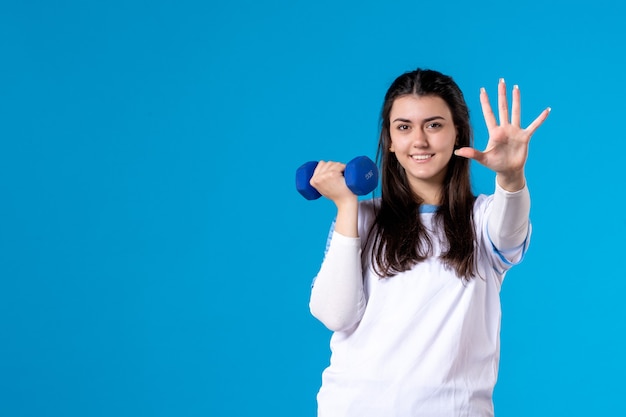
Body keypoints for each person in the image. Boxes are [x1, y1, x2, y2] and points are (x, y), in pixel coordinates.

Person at [307, 68, 550, 416]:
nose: (418, 141)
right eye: (404, 127)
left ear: (457, 134)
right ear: (390, 140)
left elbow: (510, 229)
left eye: (434, 125)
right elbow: (336, 314)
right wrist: (346, 205)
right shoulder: (361, 218)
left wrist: (511, 175)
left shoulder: (483, 220)